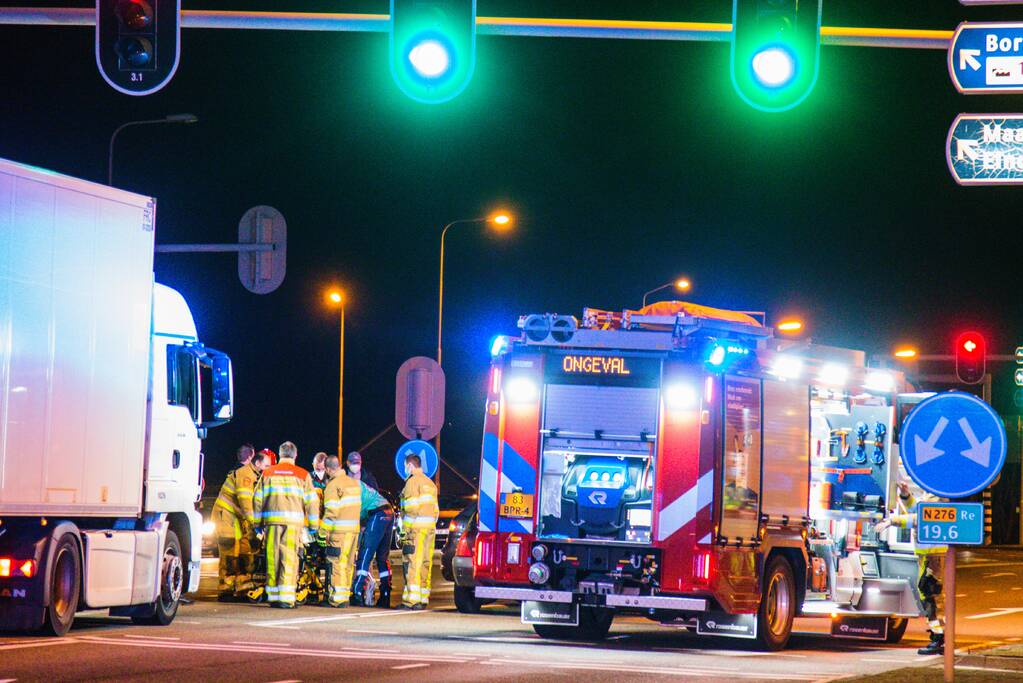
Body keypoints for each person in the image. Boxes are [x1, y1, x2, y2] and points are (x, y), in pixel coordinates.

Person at [876, 479, 946, 655]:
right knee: (926, 593)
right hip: (927, 555)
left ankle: (940, 637)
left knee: (930, 594)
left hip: (933, 554)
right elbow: (917, 510)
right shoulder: (932, 492)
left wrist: (893, 521)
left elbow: (923, 517)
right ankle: (937, 634)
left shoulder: (939, 493)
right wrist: (906, 495)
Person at [253, 441, 320, 609]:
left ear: (279, 454)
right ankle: (286, 598)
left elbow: (257, 499)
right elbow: (312, 502)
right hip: (293, 524)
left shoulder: (268, 473)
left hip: (271, 523)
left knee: (273, 558)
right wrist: (313, 526)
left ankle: (273, 596)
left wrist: (257, 524)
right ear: (295, 455)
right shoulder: (302, 475)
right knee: (288, 559)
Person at [213, 444, 260, 601]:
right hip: (226, 518)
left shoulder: (238, 471)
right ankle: (226, 589)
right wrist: (255, 523)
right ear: (252, 458)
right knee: (230, 553)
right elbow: (246, 502)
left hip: (234, 519)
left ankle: (241, 588)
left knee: (242, 552)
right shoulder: (244, 474)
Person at [319, 456, 362, 607]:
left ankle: (337, 599)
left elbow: (331, 512)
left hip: (339, 532)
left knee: (336, 563)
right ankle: (344, 595)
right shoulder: (354, 483)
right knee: (348, 564)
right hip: (353, 531)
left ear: (327, 469)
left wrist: (322, 532)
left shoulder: (333, 485)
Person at [398, 453, 439, 610]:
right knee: (425, 563)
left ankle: (411, 600)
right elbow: (436, 511)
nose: (405, 469)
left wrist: (405, 532)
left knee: (413, 562)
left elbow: (411, 509)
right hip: (430, 529)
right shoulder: (430, 484)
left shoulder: (412, 482)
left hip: (415, 530)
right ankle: (422, 598)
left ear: (410, 465)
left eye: (405, 466)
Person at [353, 479, 395, 607]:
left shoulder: (348, 489)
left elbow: (355, 513)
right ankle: (385, 594)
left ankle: (357, 593)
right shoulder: (359, 485)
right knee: (382, 558)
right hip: (389, 512)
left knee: (365, 553)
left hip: (377, 513)